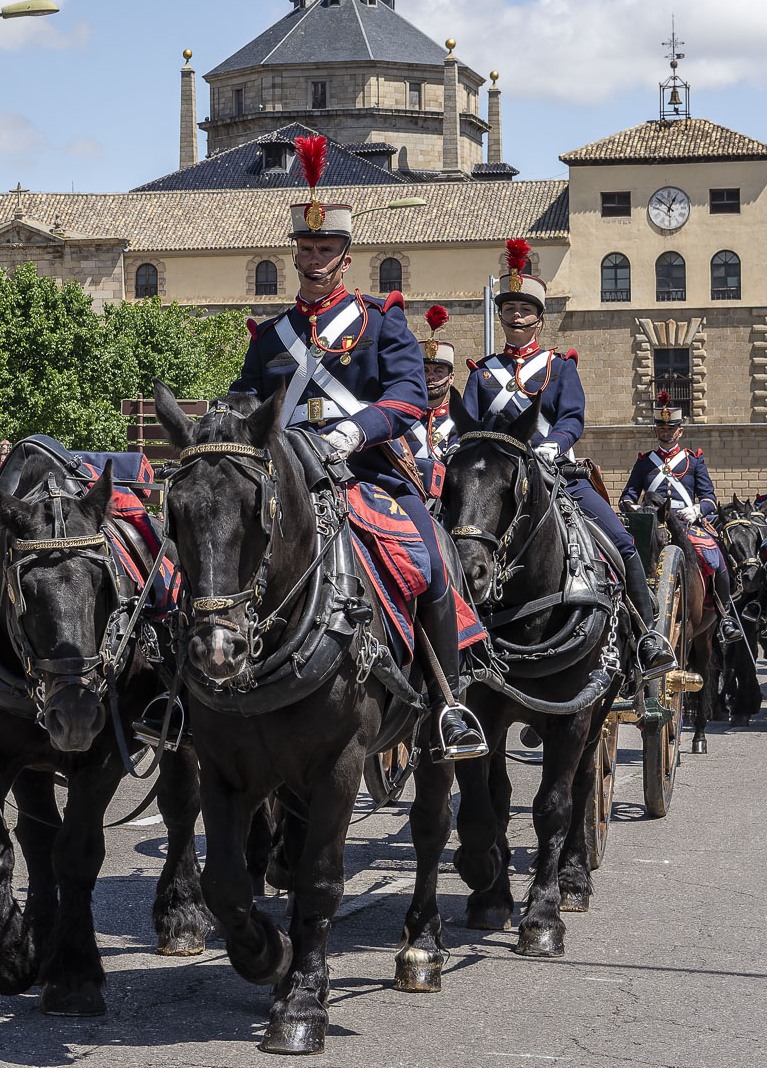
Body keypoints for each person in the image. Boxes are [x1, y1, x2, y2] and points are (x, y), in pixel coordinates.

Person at [229, 190, 485, 761]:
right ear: (294, 256)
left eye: (326, 248)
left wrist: (357, 429)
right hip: (285, 479)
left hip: (366, 475)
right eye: (307, 248)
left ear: (346, 257)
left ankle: (449, 704)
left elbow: (408, 396)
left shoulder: (380, 323)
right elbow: (246, 397)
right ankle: (180, 695)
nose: (315, 258)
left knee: (430, 559)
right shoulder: (271, 336)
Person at [458, 238, 675, 679]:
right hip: (497, 481)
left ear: (539, 318)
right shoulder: (482, 375)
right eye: (508, 309)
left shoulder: (560, 368)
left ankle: (647, 635)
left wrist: (554, 443)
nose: (515, 317)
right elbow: (471, 426)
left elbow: (573, 417)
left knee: (621, 542)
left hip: (556, 475)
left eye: (523, 310)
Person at [620, 394, 748, 649]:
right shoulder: (645, 462)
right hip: (654, 523)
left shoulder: (693, 459)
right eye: (661, 428)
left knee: (714, 557)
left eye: (670, 429)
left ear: (680, 431)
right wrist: (633, 506)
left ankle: (724, 617)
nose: (665, 433)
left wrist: (697, 509)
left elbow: (710, 497)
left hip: (686, 523)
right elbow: (628, 495)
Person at [409, 305, 456, 500]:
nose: (431, 378)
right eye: (425, 371)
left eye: (438, 372)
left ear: (450, 378)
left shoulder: (460, 421)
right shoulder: (403, 417)